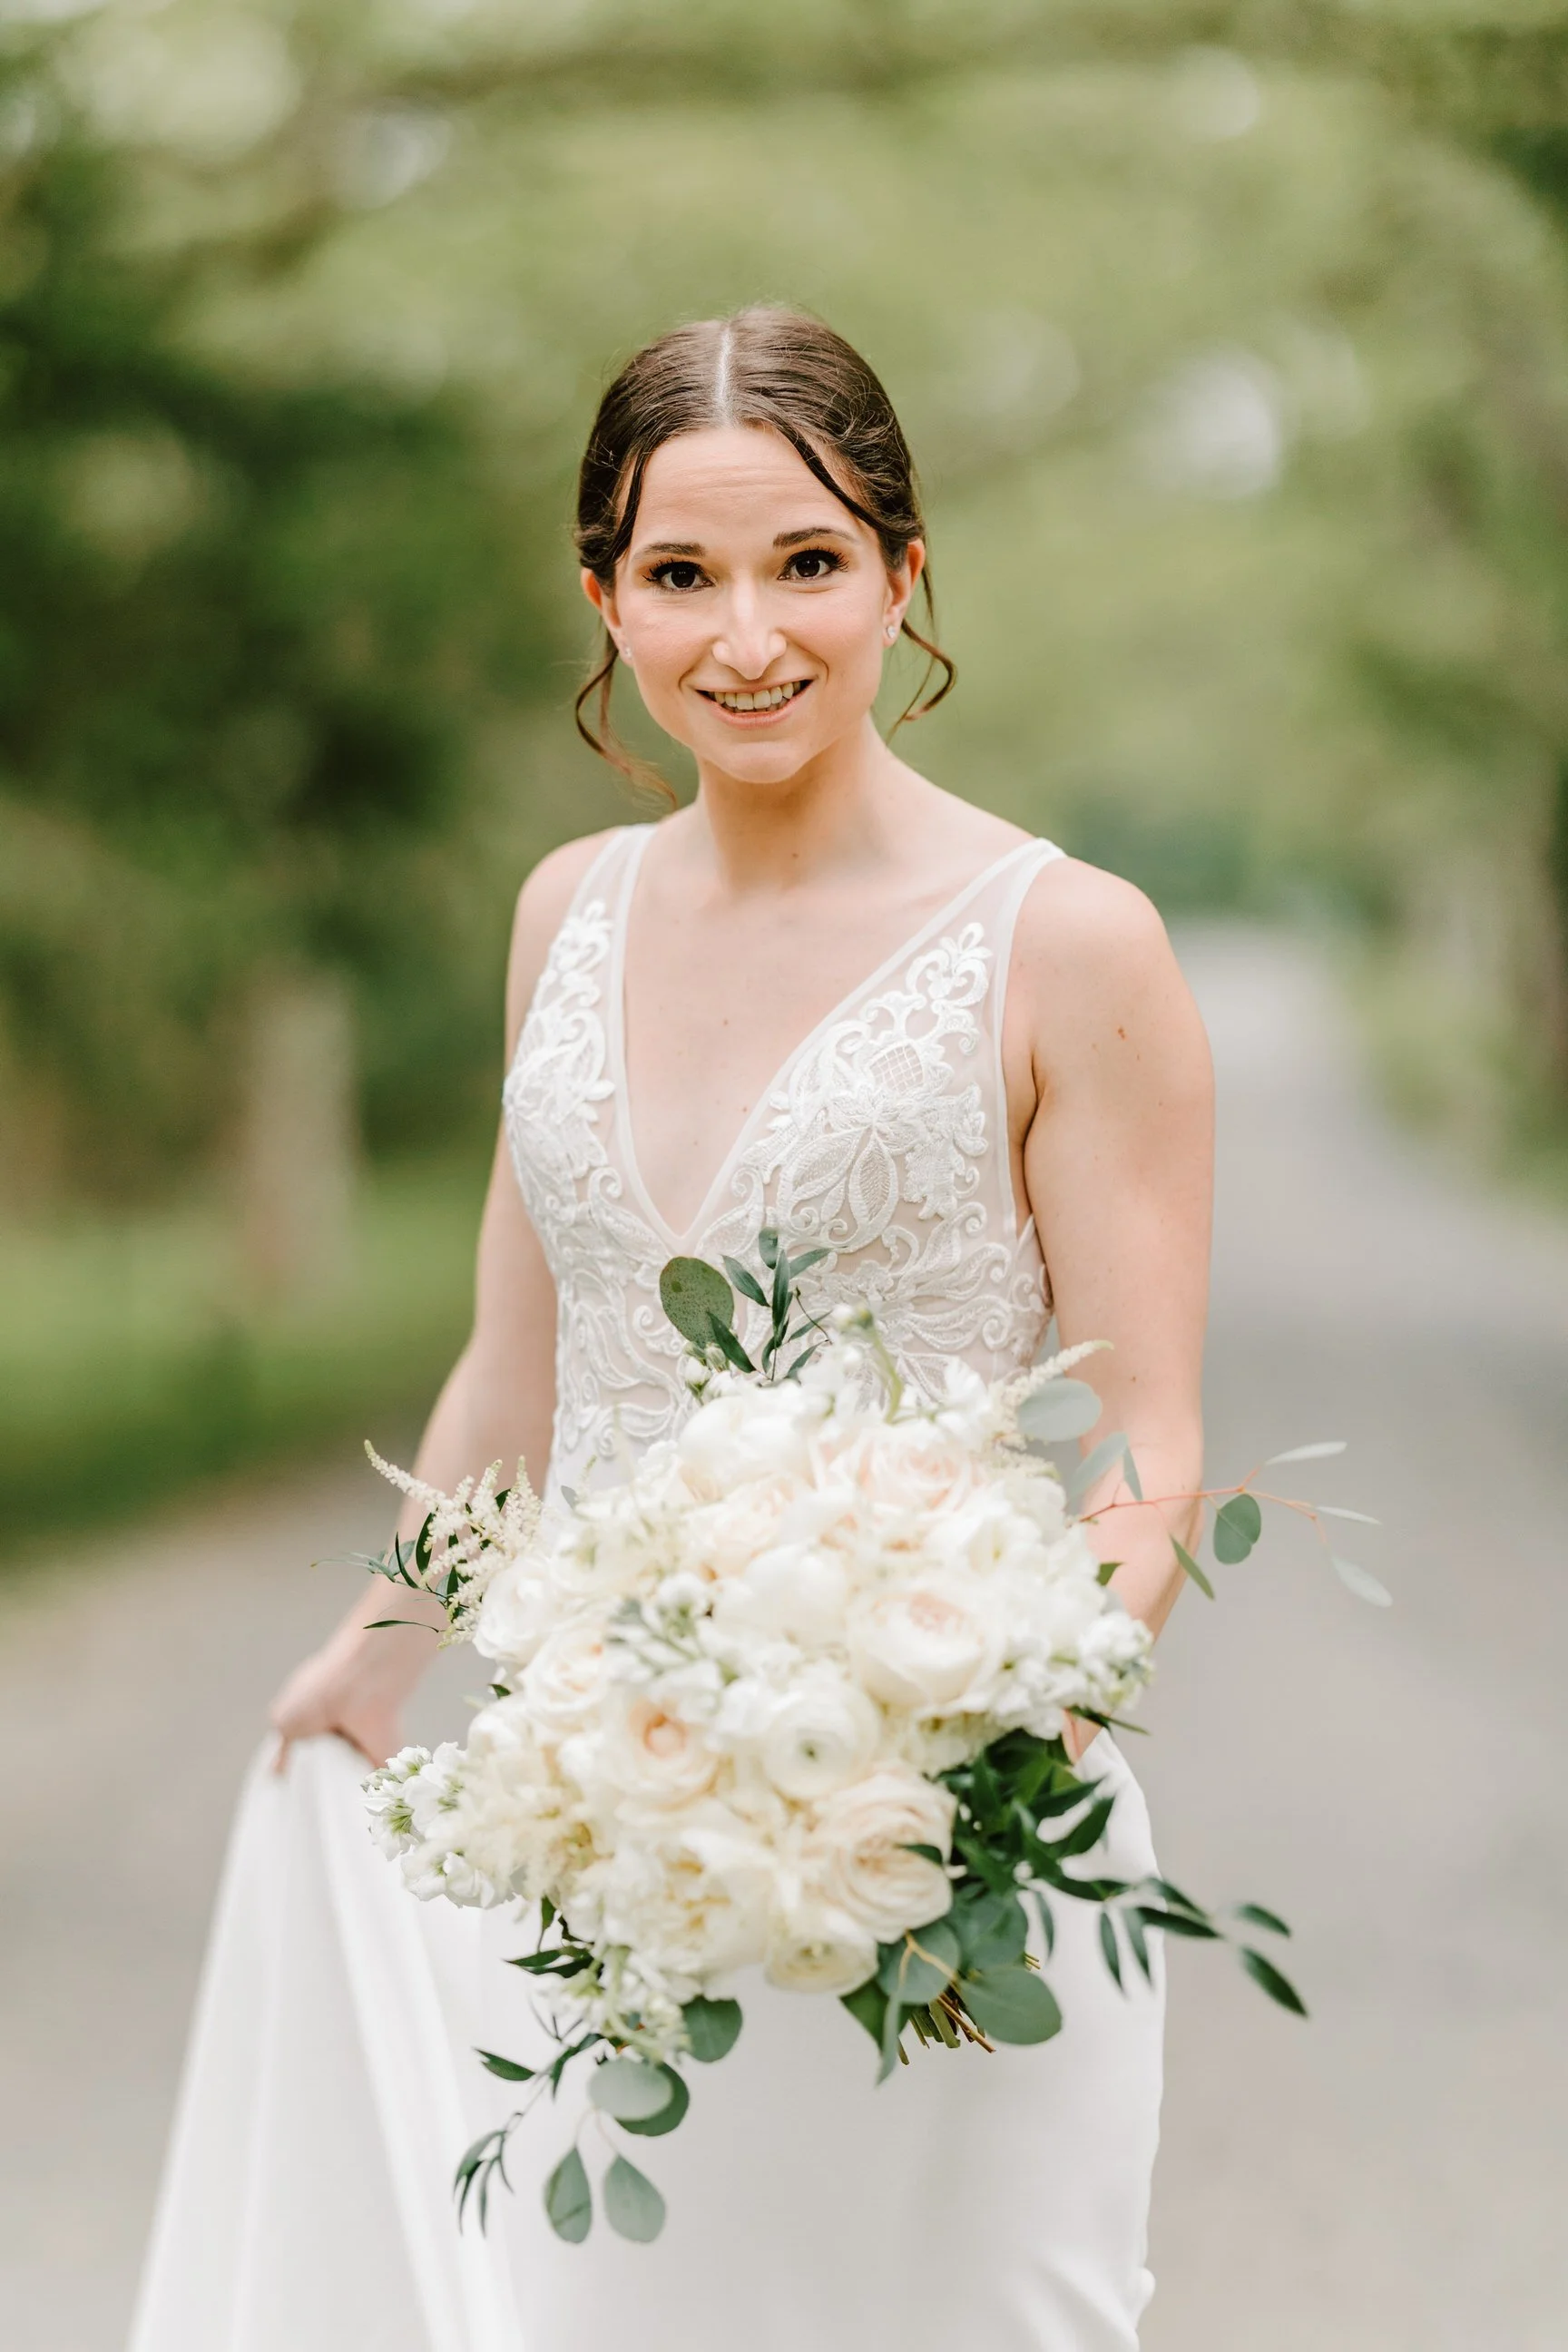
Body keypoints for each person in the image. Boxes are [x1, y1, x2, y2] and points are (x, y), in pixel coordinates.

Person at [131, 307, 1213, 2352]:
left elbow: (1150, 1448)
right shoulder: (569, 911)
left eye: (807, 563)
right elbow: (520, 1375)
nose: (748, 636)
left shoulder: (1074, 947)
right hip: (618, 1846)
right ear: (603, 592)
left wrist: (989, 1770)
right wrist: (374, 1668)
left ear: (902, 568)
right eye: (679, 573)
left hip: (939, 1851)